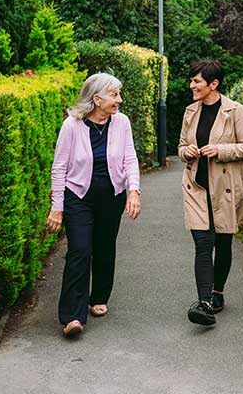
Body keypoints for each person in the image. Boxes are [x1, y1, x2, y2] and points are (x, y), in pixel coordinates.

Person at [46, 72, 141, 337]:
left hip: (112, 197)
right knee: (79, 250)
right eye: (114, 95)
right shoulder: (72, 125)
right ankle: (72, 316)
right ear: (96, 98)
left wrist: (134, 191)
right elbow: (59, 168)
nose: (119, 100)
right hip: (78, 197)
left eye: (118, 95)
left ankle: (99, 296)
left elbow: (130, 158)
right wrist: (58, 206)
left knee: (104, 247)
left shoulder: (121, 123)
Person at [177, 60, 243, 326]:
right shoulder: (190, 111)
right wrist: (185, 151)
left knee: (223, 243)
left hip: (224, 188)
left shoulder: (235, 111)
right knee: (202, 243)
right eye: (192, 81)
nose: (192, 86)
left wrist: (220, 151)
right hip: (196, 187)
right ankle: (203, 303)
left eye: (197, 81)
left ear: (214, 84)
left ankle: (217, 292)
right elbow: (181, 145)